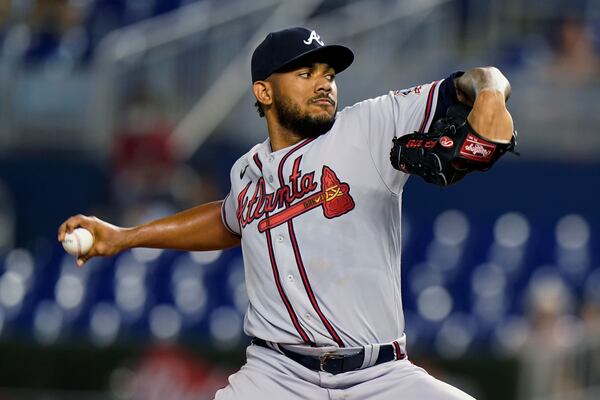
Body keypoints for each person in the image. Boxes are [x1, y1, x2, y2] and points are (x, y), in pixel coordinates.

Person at [58, 27, 514, 399]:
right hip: (275, 375)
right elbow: (226, 220)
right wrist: (124, 236)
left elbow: (476, 80)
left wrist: (491, 92)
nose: (324, 82)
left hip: (380, 376)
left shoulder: (371, 124)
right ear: (264, 91)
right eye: (305, 72)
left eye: (329, 73)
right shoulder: (247, 171)